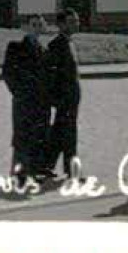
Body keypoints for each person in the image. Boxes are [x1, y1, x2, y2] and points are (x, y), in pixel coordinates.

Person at [1, 15, 52, 182]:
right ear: (26, 27)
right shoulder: (16, 47)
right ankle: (19, 173)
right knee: (22, 137)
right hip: (24, 101)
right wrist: (18, 92)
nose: (36, 28)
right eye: (33, 25)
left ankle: (34, 170)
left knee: (38, 136)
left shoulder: (44, 50)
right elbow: (8, 72)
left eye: (39, 25)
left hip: (41, 102)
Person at [45, 9, 83, 180]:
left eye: (76, 20)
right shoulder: (56, 45)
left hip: (70, 98)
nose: (76, 24)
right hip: (64, 99)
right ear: (61, 25)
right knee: (68, 134)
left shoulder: (70, 42)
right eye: (71, 21)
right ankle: (71, 171)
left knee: (59, 133)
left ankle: (45, 165)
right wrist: (56, 98)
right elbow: (51, 75)